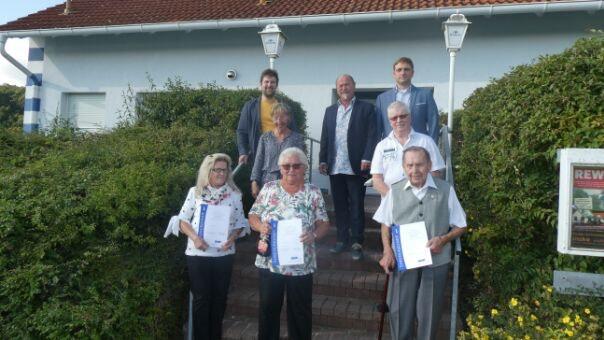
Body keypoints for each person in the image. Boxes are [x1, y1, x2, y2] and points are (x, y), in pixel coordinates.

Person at [374, 146, 466, 340]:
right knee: (399, 312)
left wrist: (443, 239)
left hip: (436, 262)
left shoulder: (445, 190)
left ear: (429, 165)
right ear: (403, 167)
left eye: (419, 164)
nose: (414, 170)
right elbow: (385, 224)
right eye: (410, 165)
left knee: (429, 314)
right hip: (403, 262)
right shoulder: (395, 191)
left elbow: (461, 225)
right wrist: (387, 250)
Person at [248, 147, 330, 340]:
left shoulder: (313, 192)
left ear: (304, 167)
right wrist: (260, 227)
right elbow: (253, 215)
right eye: (286, 166)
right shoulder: (269, 188)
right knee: (268, 311)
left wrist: (314, 235)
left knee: (300, 314)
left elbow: (324, 223)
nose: (291, 170)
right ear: (280, 168)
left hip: (301, 265)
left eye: (296, 165)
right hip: (270, 263)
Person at [177, 153, 250, 340]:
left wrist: (232, 238)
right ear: (208, 171)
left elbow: (241, 223)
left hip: (223, 255)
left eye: (224, 170)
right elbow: (183, 221)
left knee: (219, 300)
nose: (221, 173)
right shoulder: (196, 192)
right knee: (201, 300)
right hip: (198, 255)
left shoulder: (234, 195)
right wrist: (195, 237)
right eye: (216, 170)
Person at [319, 74, 379, 261]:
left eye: (347, 84)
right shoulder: (330, 111)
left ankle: (356, 242)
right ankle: (341, 239)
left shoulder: (367, 108)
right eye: (340, 85)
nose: (344, 88)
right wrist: (322, 159)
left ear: (354, 86)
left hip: (356, 165)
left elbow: (372, 135)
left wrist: (368, 157)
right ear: (337, 88)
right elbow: (325, 137)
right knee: (339, 206)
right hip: (335, 166)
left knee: (356, 206)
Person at [371, 101, 445, 197]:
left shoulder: (426, 141)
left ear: (410, 117)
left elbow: (436, 173)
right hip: (391, 202)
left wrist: (424, 196)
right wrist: (394, 199)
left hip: (421, 200)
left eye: (402, 116)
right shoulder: (381, 146)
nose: (398, 120)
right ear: (389, 121)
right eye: (394, 118)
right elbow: (377, 180)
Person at [236, 69, 297, 166]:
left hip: (283, 154)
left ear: (276, 85)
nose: (269, 85)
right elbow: (242, 131)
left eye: (272, 82)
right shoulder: (250, 107)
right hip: (259, 155)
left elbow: (293, 130)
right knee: (259, 180)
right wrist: (243, 152)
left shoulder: (285, 106)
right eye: (266, 82)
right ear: (261, 84)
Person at [376, 57, 440, 143]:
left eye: (406, 69)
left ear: (412, 73)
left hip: (418, 146)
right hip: (391, 147)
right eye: (399, 70)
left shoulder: (425, 95)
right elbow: (377, 128)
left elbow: (434, 123)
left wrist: (431, 145)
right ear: (394, 74)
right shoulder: (382, 99)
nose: (403, 73)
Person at [251, 102, 305, 198]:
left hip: (290, 182)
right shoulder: (265, 138)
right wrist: (254, 182)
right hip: (267, 183)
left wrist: (300, 183)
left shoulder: (297, 138)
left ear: (288, 118)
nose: (279, 121)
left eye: (283, 117)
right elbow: (258, 160)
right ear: (272, 118)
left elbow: (300, 164)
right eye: (276, 117)